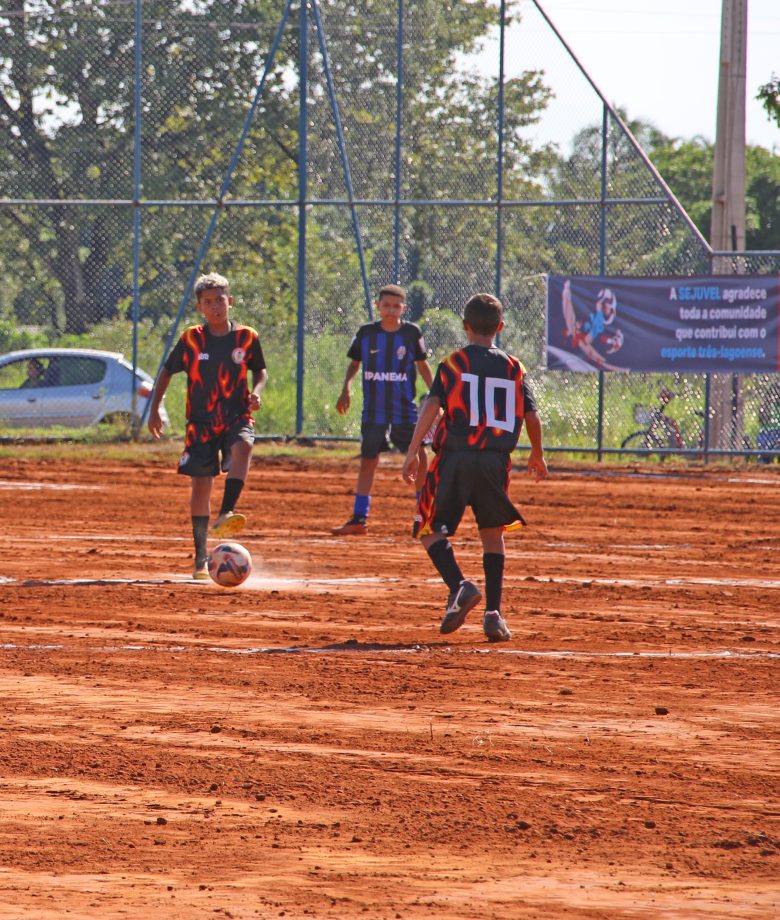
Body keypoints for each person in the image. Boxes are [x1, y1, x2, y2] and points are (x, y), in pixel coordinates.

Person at [402, 292, 548, 642]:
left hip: (455, 457)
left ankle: (460, 585)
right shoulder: (514, 367)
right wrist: (537, 454)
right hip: (495, 461)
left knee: (426, 526)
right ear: (500, 327)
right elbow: (531, 414)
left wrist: (412, 450)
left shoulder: (452, 364)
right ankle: (494, 614)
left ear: (465, 327)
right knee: (492, 532)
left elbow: (432, 407)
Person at [147, 272, 267, 579]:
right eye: (208, 302)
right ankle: (200, 559)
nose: (215, 306)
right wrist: (155, 409)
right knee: (201, 485)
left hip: (236, 415)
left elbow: (260, 371)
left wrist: (257, 393)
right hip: (200, 423)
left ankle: (227, 511)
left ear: (231, 301)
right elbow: (166, 372)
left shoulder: (247, 337)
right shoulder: (191, 338)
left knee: (245, 445)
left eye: (220, 300)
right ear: (200, 306)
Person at [332, 283, 434, 535]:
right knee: (369, 459)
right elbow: (354, 363)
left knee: (419, 456)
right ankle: (359, 518)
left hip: (404, 409)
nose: (390, 310)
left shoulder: (411, 333)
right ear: (378, 306)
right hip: (373, 409)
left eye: (396, 306)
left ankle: (425, 515)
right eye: (386, 305)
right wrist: (346, 388)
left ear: (403, 308)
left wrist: (436, 395)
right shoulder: (366, 333)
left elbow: (423, 366)